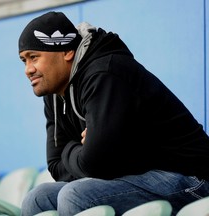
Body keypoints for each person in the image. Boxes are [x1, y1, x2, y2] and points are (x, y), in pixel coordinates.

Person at [18, 11, 209, 216]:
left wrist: (75, 151)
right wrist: (82, 151)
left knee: (76, 195)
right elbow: (57, 166)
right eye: (24, 60)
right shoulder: (54, 92)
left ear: (66, 52)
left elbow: (97, 163)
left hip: (190, 178)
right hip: (136, 176)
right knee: (37, 199)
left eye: (34, 57)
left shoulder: (105, 73)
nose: (28, 70)